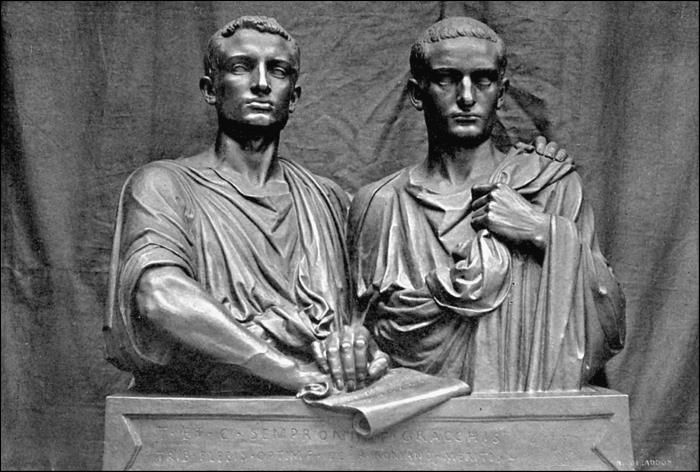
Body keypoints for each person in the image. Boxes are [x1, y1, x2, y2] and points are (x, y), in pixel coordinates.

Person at [103, 16, 388, 395]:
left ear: (294, 97)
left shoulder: (328, 200)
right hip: (209, 409)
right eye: (241, 67)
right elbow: (159, 295)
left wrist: (356, 344)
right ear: (211, 89)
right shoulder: (163, 184)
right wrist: (289, 372)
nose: (261, 83)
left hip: (322, 410)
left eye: (278, 71)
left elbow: (360, 319)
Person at [338, 17, 626, 392]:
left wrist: (541, 230)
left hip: (523, 420)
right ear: (416, 93)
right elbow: (357, 333)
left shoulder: (548, 187)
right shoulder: (379, 205)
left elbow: (609, 321)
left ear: (501, 92)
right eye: (446, 79)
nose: (467, 96)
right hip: (406, 420)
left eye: (483, 80)